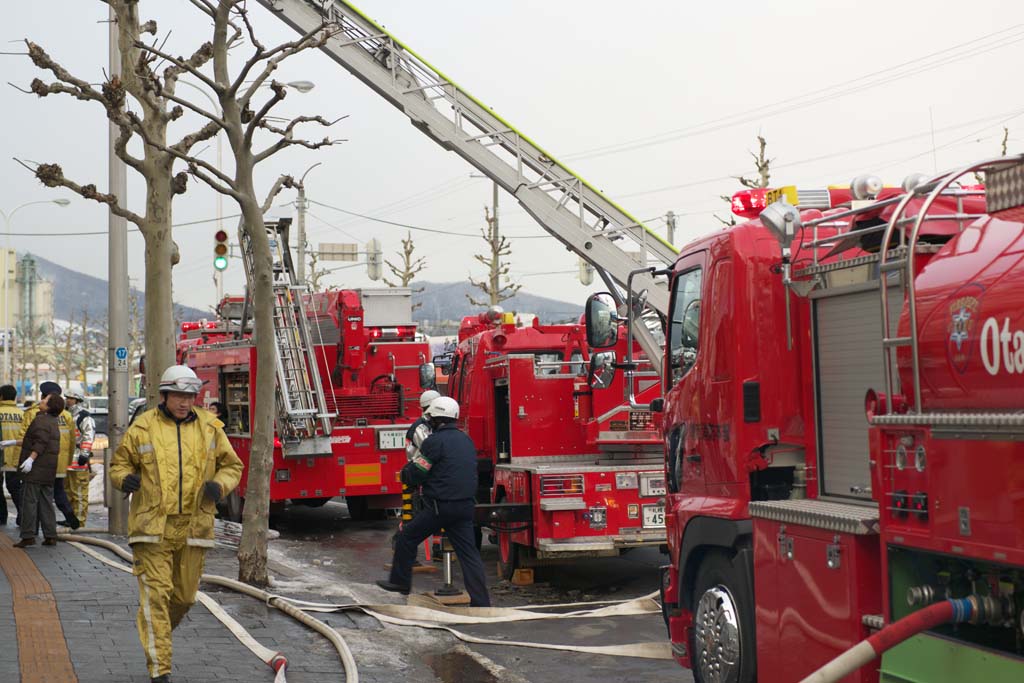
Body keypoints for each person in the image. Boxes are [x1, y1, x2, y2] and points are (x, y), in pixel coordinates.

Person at [110, 365, 243, 683]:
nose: (185, 402)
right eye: (179, 396)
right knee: (157, 597)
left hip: (195, 527)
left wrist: (220, 485)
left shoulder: (210, 428)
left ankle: (155, 630)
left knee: (183, 598)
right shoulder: (142, 427)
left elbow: (232, 464)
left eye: (189, 396)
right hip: (151, 528)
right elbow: (119, 463)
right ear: (165, 395)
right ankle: (160, 670)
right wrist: (122, 479)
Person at [377, 396, 490, 607]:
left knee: (407, 537)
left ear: (437, 420)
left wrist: (405, 475)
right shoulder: (466, 440)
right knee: (469, 556)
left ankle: (400, 582)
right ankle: (481, 603)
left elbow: (418, 471)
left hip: (440, 507)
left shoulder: (434, 442)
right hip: (465, 507)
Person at [21, 381, 78, 529]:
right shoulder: (66, 416)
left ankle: (32, 530)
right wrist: (68, 461)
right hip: (59, 463)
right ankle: (68, 520)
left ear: (44, 397)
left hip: (38, 462)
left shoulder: (34, 413)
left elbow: (25, 440)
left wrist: (24, 460)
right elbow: (72, 441)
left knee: (34, 497)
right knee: (56, 493)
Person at [14, 393, 65, 547]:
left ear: (49, 406)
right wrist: (12, 442)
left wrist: (30, 459)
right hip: (48, 469)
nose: (41, 400)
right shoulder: (52, 421)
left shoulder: (41, 420)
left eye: (45, 399)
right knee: (46, 502)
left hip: (36, 468)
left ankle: (28, 535)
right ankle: (50, 535)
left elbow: (40, 442)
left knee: (29, 501)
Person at [64, 392, 95, 527]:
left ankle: (80, 521)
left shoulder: (84, 416)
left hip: (78, 460)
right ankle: (71, 519)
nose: (68, 401)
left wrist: (84, 454)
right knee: (67, 493)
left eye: (71, 398)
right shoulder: (65, 415)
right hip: (66, 460)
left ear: (77, 400)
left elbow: (89, 436)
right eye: (67, 398)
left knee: (79, 493)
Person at [0, 384, 24, 525]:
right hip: (17, 456)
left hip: (1, 456)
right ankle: (23, 515)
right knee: (14, 487)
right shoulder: (22, 414)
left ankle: (2, 516)